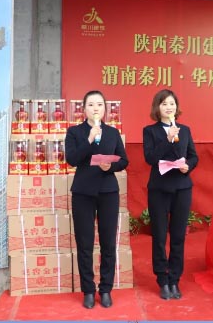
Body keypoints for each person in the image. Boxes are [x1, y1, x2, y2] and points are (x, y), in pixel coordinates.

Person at [65, 90, 129, 309]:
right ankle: (88, 291)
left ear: (105, 109)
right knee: (84, 244)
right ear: (84, 109)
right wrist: (89, 139)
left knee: (108, 243)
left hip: (108, 192)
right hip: (83, 192)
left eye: (99, 104)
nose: (95, 108)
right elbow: (72, 159)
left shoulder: (112, 133)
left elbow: (124, 161)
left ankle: (106, 289)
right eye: (91, 105)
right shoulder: (75, 132)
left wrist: (110, 166)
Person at [142, 89, 199, 300]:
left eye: (172, 104)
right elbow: (150, 158)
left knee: (178, 236)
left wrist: (188, 166)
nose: (169, 107)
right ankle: (162, 280)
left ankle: (175, 279)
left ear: (177, 107)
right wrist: (167, 138)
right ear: (157, 107)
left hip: (182, 187)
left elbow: (193, 156)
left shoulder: (185, 130)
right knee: (159, 236)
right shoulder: (150, 131)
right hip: (159, 188)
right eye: (164, 103)